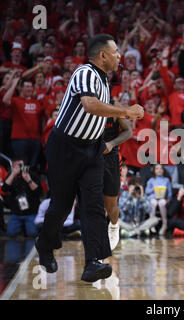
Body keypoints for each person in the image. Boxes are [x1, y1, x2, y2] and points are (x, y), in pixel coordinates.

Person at [34, 34, 144, 283]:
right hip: (65, 146)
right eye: (116, 52)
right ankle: (45, 244)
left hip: (93, 149)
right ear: (102, 55)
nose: (120, 56)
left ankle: (94, 262)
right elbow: (89, 105)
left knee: (93, 205)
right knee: (60, 207)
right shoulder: (84, 72)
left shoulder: (105, 80)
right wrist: (126, 110)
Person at [103, 98, 133, 251]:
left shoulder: (114, 106)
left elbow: (128, 131)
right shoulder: (85, 104)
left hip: (110, 157)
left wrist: (112, 143)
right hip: (89, 156)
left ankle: (114, 225)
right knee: (93, 201)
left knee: (111, 203)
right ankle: (98, 236)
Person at [2, 158, 41, 237]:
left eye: (21, 165)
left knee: (32, 233)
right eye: (17, 165)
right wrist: (13, 174)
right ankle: (22, 228)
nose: (19, 167)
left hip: (31, 212)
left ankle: (26, 228)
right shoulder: (11, 176)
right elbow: (4, 189)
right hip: (16, 213)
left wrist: (28, 179)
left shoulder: (31, 175)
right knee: (11, 233)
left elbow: (38, 191)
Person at [145, 164, 172, 235]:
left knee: (162, 203)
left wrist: (168, 199)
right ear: (154, 171)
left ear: (163, 170)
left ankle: (164, 224)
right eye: (157, 168)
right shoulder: (151, 180)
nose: (159, 170)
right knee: (153, 203)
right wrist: (153, 189)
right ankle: (152, 223)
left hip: (162, 198)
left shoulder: (166, 180)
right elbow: (146, 191)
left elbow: (169, 191)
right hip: (153, 197)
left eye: (160, 169)